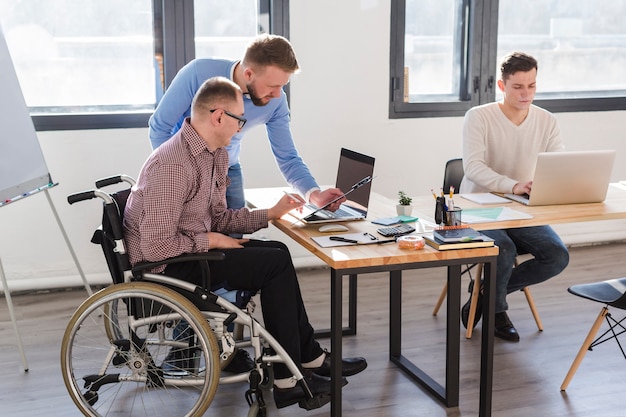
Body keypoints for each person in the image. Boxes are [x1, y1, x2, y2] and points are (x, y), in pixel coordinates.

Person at [124, 76, 367, 410]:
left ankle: (307, 358)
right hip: (168, 270)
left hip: (191, 254)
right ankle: (287, 378)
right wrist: (210, 239)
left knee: (277, 251)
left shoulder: (213, 155)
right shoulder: (173, 164)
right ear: (218, 116)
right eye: (239, 119)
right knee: (273, 263)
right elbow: (155, 248)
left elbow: (221, 218)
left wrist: (271, 213)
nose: (242, 127)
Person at [148, 33, 344, 212]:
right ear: (248, 74)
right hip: (186, 170)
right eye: (272, 86)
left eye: (282, 86)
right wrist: (175, 176)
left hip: (228, 170)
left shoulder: (276, 101)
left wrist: (314, 195)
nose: (277, 94)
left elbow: (288, 157)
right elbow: (159, 127)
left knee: (235, 241)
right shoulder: (198, 73)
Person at [459, 52, 570, 342]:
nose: (526, 93)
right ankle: (497, 312)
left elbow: (557, 163)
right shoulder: (479, 117)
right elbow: (473, 167)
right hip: (477, 207)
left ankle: (484, 293)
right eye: (518, 87)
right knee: (503, 251)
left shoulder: (546, 120)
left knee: (557, 256)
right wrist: (513, 185)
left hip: (521, 208)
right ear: (501, 85)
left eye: (531, 86)